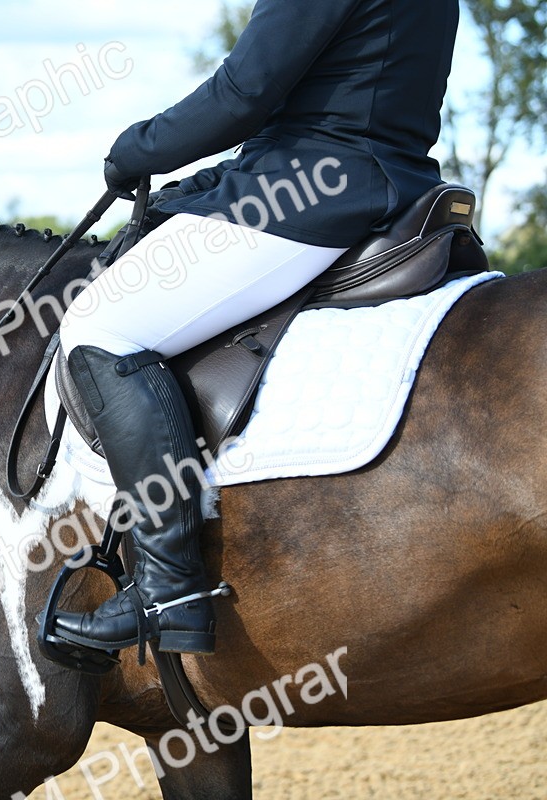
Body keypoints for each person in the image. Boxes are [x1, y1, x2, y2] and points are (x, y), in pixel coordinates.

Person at [48, 0, 459, 657]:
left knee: (100, 328)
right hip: (389, 180)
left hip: (310, 190)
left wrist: (136, 149)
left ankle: (168, 587)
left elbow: (245, 92)